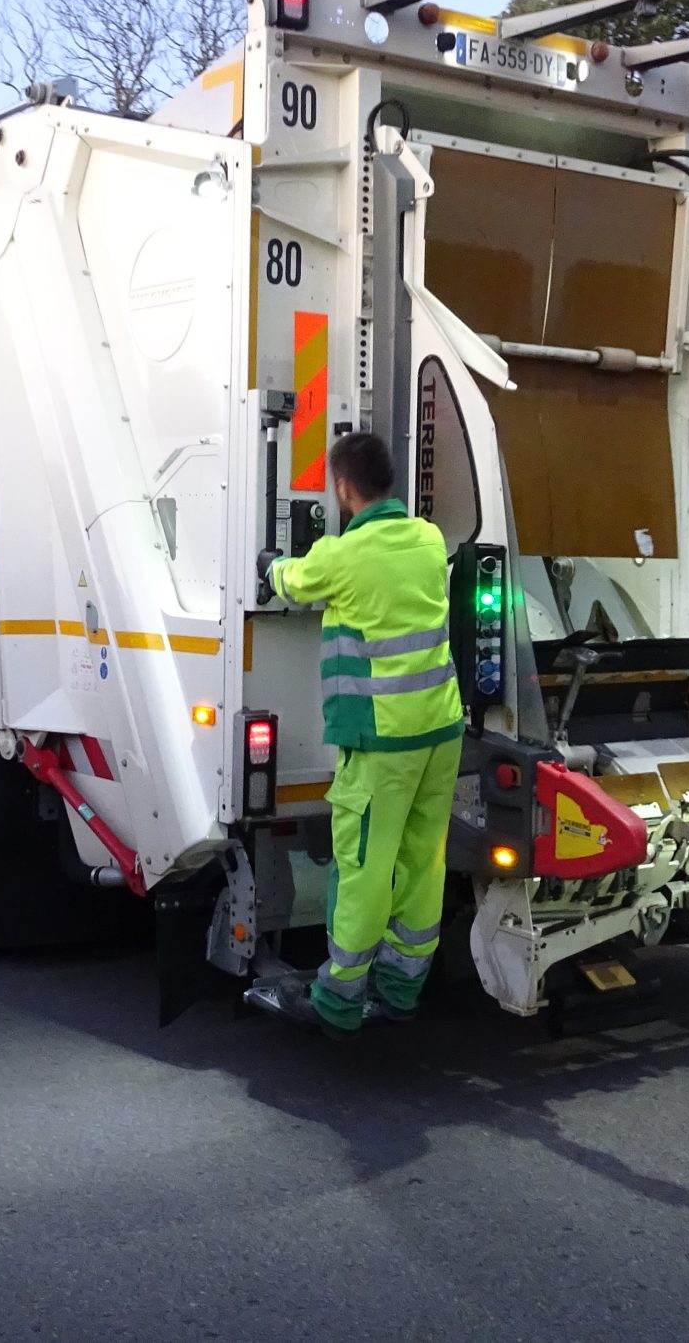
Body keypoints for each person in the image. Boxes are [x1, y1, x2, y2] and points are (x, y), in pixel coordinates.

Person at [245, 431, 465, 1037]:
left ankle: (338, 997)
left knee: (365, 866)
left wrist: (270, 564)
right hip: (441, 730)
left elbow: (292, 582)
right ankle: (400, 984)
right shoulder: (427, 539)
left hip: (381, 741)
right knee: (423, 860)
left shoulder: (343, 555)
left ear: (343, 488)